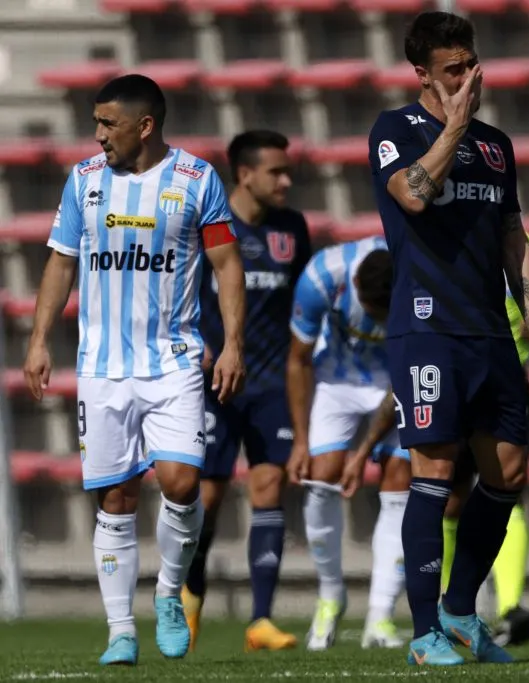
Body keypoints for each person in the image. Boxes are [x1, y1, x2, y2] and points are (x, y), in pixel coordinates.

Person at [22, 74, 246, 666]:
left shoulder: (197, 180)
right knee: (116, 497)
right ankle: (121, 630)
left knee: (180, 481)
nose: (97, 136)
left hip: (173, 361)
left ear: (145, 126)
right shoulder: (85, 182)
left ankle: (169, 595)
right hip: (101, 367)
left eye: (107, 124)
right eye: (96, 123)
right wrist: (40, 339)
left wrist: (233, 346)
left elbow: (226, 266)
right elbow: (60, 263)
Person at [367, 10, 529, 667]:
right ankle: (424, 632)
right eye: (454, 69)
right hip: (426, 329)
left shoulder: (496, 146)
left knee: (507, 470)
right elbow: (414, 197)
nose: (468, 78)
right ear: (422, 73)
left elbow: (515, 238)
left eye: (471, 64)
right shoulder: (395, 131)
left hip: (489, 331)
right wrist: (452, 126)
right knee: (434, 470)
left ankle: (458, 609)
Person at [346, 232, 529, 648]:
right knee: (445, 491)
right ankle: (444, 615)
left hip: (503, 366)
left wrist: (527, 322)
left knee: (504, 482)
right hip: (449, 363)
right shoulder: (436, 243)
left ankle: (504, 607)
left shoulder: (528, 246)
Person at [182, 130, 312, 652]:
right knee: (204, 500)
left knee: (268, 488)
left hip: (271, 381)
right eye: (276, 172)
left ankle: (260, 619)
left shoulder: (292, 228)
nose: (286, 181)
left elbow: (303, 308)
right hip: (211, 385)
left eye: (288, 171)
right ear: (244, 174)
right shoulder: (207, 226)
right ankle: (188, 604)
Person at [283, 239, 406, 652]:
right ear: (355, 284)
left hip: (393, 384)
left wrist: (364, 450)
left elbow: (406, 373)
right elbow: (298, 359)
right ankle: (330, 595)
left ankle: (381, 616)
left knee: (401, 482)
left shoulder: (416, 282)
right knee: (320, 479)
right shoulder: (321, 276)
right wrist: (300, 440)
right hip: (335, 381)